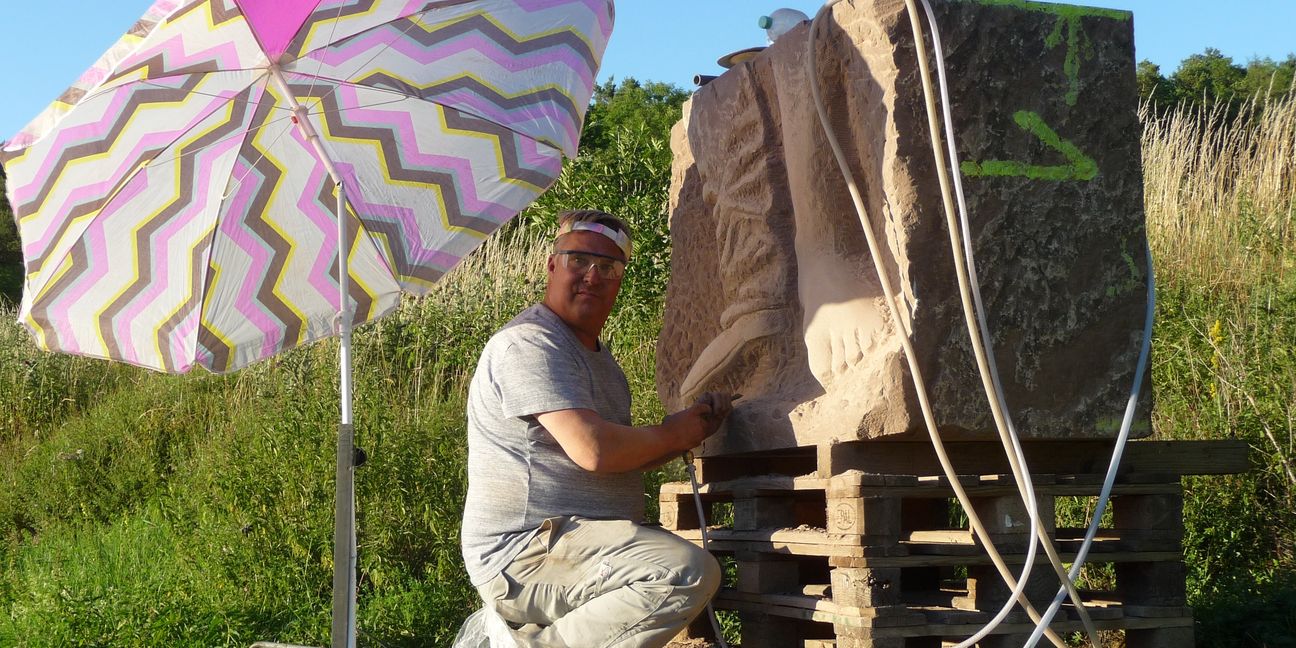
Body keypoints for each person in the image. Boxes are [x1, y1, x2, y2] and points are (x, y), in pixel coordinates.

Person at [461, 209, 734, 647]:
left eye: (607, 266)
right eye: (578, 261)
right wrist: (675, 434)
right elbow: (595, 450)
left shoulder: (601, 363)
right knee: (683, 572)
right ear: (552, 265)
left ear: (620, 278)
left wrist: (686, 431)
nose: (592, 275)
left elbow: (617, 460)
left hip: (570, 544)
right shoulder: (529, 344)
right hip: (524, 555)